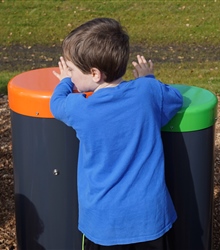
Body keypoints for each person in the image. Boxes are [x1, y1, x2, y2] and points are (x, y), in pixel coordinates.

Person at [50, 18, 183, 250]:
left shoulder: (81, 109)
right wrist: (148, 78)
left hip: (104, 224)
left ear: (94, 74)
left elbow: (56, 104)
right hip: (149, 218)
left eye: (71, 70)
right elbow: (174, 99)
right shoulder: (147, 93)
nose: (70, 75)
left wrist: (63, 83)